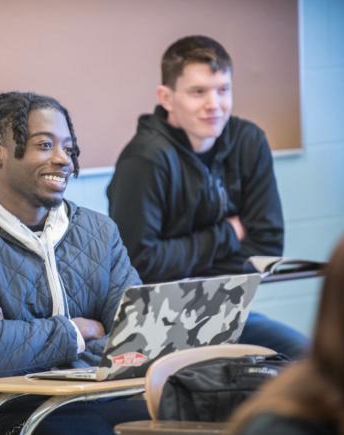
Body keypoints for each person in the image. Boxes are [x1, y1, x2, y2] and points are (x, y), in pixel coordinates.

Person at [0, 91, 150, 435]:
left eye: (67, 148)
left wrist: (22, 339)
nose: (63, 159)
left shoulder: (98, 230)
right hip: (4, 412)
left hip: (99, 396)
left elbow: (137, 336)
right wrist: (80, 329)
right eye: (44, 146)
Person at [106, 35, 307, 359]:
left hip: (227, 307)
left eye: (223, 90)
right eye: (198, 92)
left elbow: (266, 245)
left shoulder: (249, 141)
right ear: (167, 97)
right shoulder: (143, 160)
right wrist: (228, 234)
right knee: (208, 388)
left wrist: (189, 268)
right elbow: (140, 263)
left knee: (308, 358)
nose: (214, 103)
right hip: (160, 320)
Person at [230, 237, 344, 435]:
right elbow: (158, 258)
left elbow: (265, 241)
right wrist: (228, 232)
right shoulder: (283, 426)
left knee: (298, 347)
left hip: (230, 302)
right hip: (222, 307)